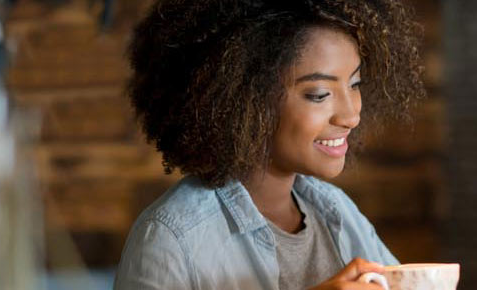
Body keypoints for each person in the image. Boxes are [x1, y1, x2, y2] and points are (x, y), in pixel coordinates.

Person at [113, 0, 425, 289]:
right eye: (319, 94)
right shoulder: (173, 239)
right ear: (244, 99)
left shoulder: (337, 211)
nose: (351, 115)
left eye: (354, 84)